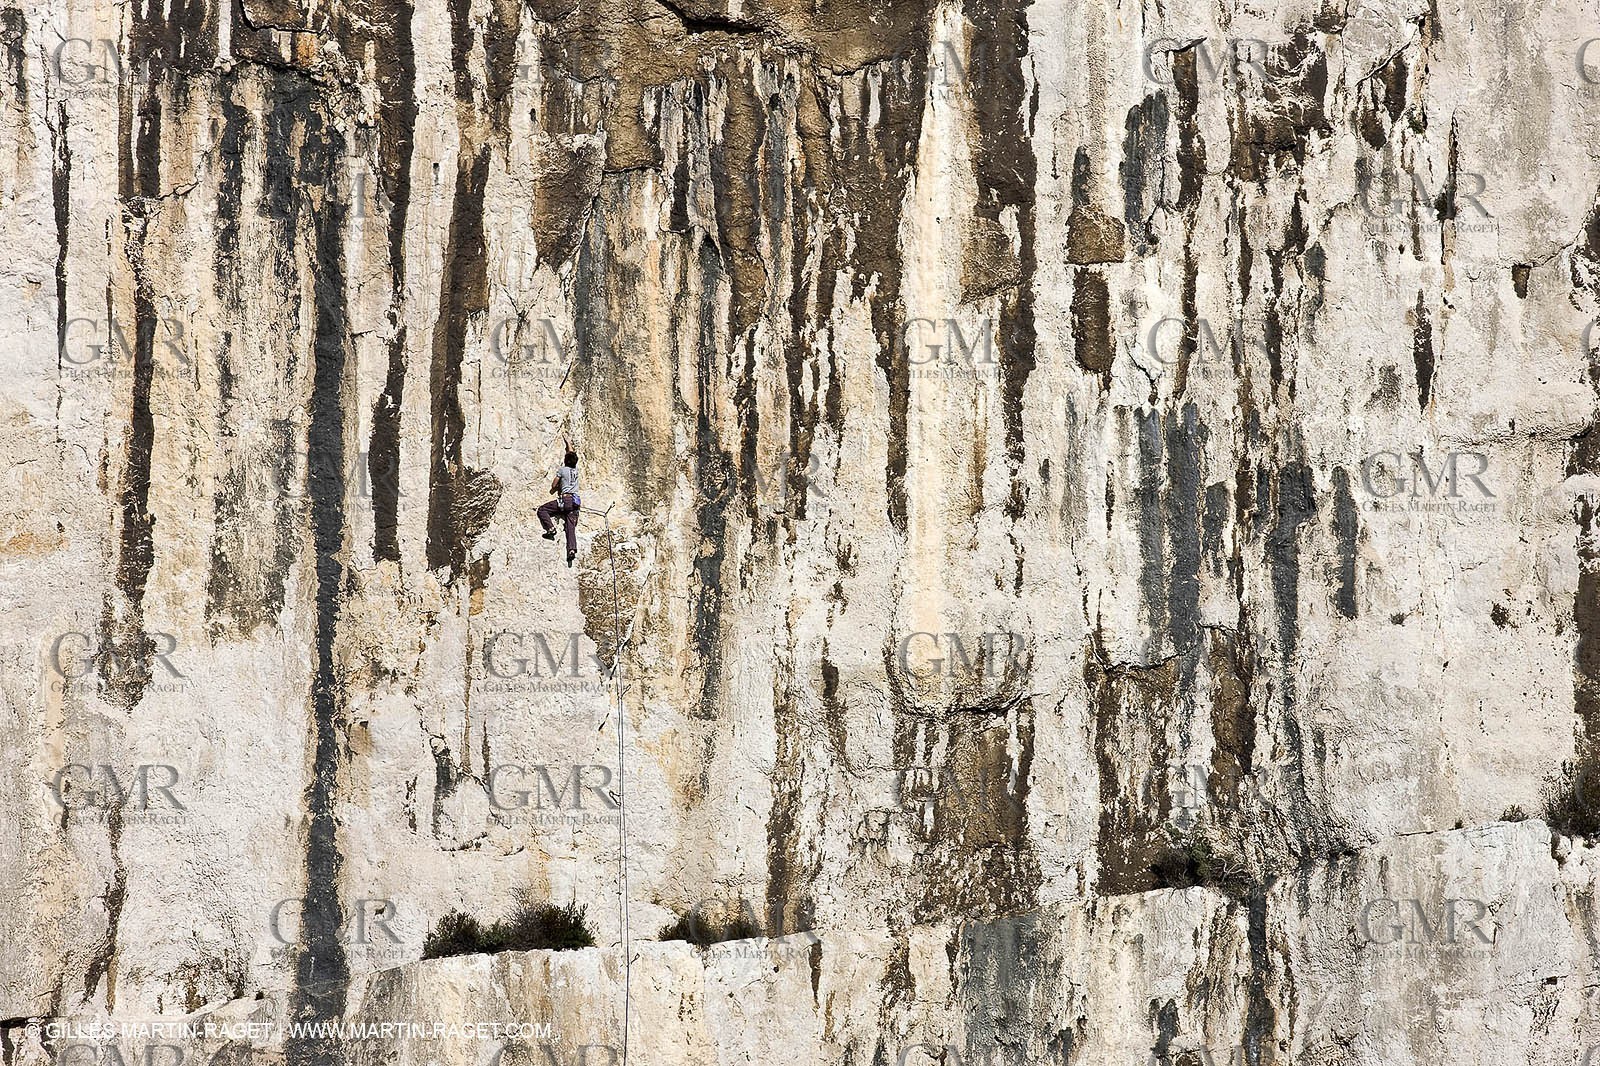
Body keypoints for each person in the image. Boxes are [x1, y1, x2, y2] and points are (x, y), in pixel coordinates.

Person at [538, 442, 581, 566]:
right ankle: (571, 550)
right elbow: (571, 455)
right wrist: (568, 442)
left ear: (565, 460)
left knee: (542, 510)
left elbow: (553, 485)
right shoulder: (576, 471)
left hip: (565, 500)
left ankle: (550, 528)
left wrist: (557, 486)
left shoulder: (562, 470)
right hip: (575, 502)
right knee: (570, 527)